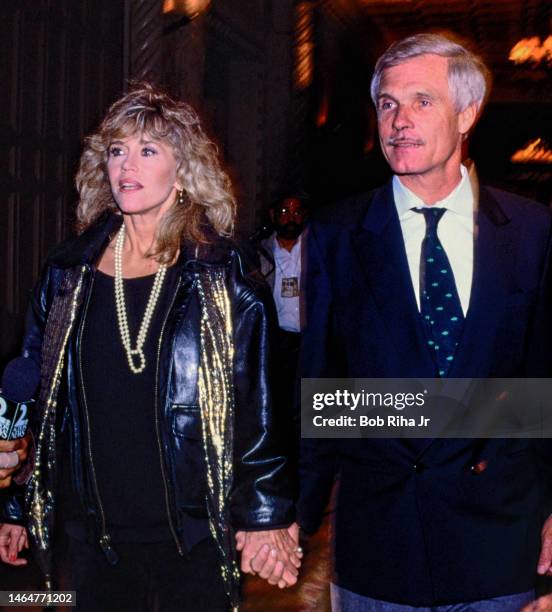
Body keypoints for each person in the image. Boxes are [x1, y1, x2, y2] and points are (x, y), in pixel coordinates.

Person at [0, 82, 301, 611]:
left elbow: (258, 407)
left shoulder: (220, 274)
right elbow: (37, 401)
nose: (126, 165)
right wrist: (16, 504)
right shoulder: (68, 272)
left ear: (182, 169)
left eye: (147, 150)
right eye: (116, 151)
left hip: (192, 537)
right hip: (93, 540)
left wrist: (264, 515)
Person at [298, 33, 552, 611]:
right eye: (387, 103)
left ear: (468, 113)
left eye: (421, 101)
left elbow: (546, 390)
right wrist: (290, 517)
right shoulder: (338, 233)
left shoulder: (533, 232)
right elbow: (324, 398)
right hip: (379, 552)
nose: (399, 121)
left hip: (501, 547)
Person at [255, 194, 308, 428]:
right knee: (278, 408)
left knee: (311, 408)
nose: (291, 218)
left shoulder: (315, 248)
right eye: (285, 212)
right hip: (276, 342)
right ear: (273, 215)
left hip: (309, 340)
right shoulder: (259, 252)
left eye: (297, 212)